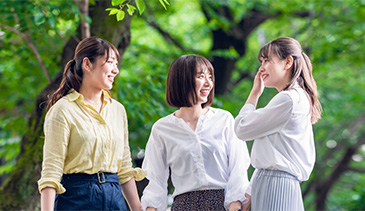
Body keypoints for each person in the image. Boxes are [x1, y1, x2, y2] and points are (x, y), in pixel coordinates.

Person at [37, 37, 146, 211]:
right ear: (87, 64)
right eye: (110, 62)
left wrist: (137, 208)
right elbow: (51, 172)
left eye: (116, 64)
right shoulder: (63, 110)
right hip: (75, 199)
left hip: (115, 199)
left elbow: (124, 169)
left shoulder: (118, 110)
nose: (115, 70)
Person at [141, 54, 251, 211]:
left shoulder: (224, 119)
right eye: (201, 76)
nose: (208, 83)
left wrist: (235, 204)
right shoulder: (162, 129)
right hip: (183, 206)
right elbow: (155, 180)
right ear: (182, 80)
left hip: (223, 204)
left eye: (210, 77)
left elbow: (238, 168)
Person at [234, 37, 322, 210]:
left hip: (275, 184)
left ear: (288, 62)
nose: (261, 68)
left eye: (267, 60)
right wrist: (251, 191)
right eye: (261, 61)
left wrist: (254, 94)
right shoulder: (296, 97)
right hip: (275, 183)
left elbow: (241, 129)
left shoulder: (288, 99)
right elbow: (273, 151)